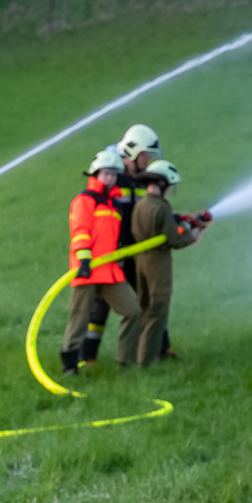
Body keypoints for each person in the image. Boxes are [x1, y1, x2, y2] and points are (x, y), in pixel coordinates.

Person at [83, 123, 164, 366]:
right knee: (100, 307)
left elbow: (152, 210)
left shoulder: (143, 180)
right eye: (145, 155)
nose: (148, 160)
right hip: (111, 253)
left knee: (147, 299)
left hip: (135, 252)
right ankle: (87, 358)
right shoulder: (112, 177)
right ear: (132, 152)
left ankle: (156, 350)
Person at [118, 159, 207, 367]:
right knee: (157, 311)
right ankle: (147, 361)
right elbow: (173, 239)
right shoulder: (161, 207)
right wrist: (193, 234)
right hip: (158, 263)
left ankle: (131, 356)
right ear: (162, 183)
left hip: (141, 260)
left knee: (143, 308)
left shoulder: (141, 204)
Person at [61, 149, 141, 376]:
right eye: (106, 173)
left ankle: (125, 361)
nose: (109, 178)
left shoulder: (114, 204)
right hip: (87, 269)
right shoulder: (84, 200)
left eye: (113, 174)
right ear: (96, 173)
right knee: (79, 319)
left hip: (109, 271)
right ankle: (70, 366)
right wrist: (84, 259)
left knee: (134, 311)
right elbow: (80, 231)